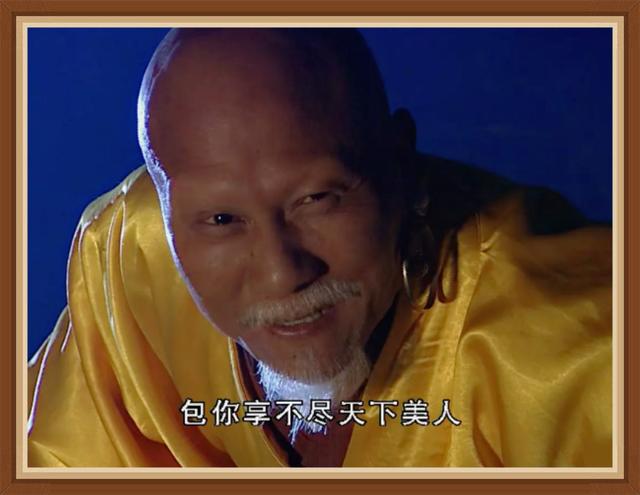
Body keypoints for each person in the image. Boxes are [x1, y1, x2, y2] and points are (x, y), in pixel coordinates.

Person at [27, 28, 612, 468]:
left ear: (401, 167)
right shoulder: (129, 259)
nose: (282, 273)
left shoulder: (575, 355)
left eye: (318, 199)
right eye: (223, 220)